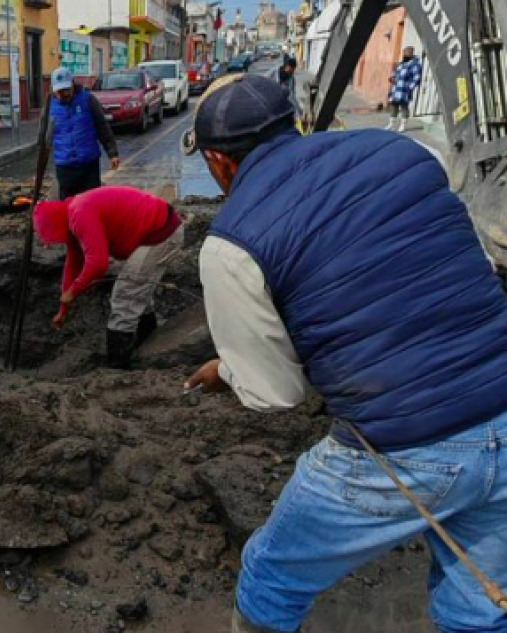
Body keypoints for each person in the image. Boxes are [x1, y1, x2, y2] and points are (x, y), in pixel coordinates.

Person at [181, 73, 507, 632]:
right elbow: (466, 262)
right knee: (482, 601)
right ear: (293, 123)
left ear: (218, 161)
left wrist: (228, 371)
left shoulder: (233, 242)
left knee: (270, 576)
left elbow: (277, 393)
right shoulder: (403, 150)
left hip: (406, 446)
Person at [33, 185, 184, 368]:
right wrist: (63, 308)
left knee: (124, 297)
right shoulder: (71, 213)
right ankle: (148, 345)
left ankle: (118, 366)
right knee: (135, 293)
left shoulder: (80, 214)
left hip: (161, 233)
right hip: (151, 231)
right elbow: (73, 264)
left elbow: (98, 264)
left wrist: (74, 291)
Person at [49, 67, 120, 199]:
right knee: (68, 207)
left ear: (72, 84)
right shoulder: (50, 107)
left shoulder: (88, 100)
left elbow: (102, 126)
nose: (64, 94)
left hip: (89, 165)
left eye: (66, 90)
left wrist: (112, 153)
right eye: (60, 91)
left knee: (92, 204)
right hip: (65, 167)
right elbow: (44, 139)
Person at [386, 46, 423, 133]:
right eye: (404, 52)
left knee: (404, 107)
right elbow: (395, 73)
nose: (405, 54)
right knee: (394, 106)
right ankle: (391, 124)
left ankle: (403, 125)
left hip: (404, 90)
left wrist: (409, 88)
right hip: (396, 89)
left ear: (411, 53)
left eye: (407, 52)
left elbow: (417, 78)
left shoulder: (415, 65)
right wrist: (392, 78)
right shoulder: (401, 63)